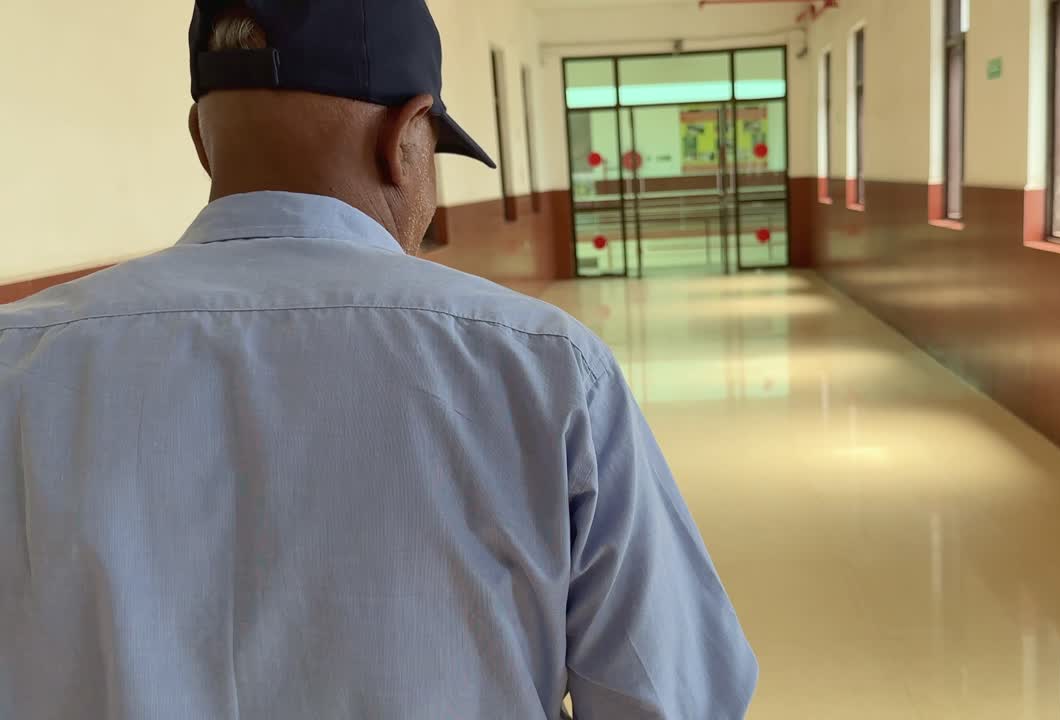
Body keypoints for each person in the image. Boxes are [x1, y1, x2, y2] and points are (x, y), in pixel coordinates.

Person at [0, 1, 758, 718]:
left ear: (201, 138)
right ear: (405, 140)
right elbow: (669, 698)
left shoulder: (18, 365)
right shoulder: (549, 371)